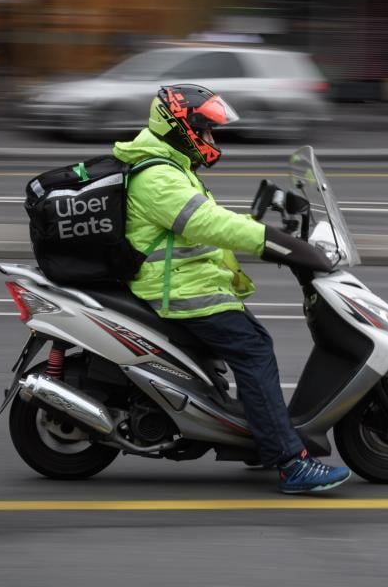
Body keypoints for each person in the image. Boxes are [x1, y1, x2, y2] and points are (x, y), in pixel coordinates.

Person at [112, 84, 351, 494]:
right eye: (205, 131)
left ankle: (264, 434)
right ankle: (290, 462)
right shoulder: (157, 177)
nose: (211, 140)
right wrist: (277, 242)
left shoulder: (170, 165)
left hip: (189, 284)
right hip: (181, 292)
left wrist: (270, 225)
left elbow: (208, 219)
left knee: (252, 347)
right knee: (254, 348)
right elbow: (209, 224)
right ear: (181, 128)